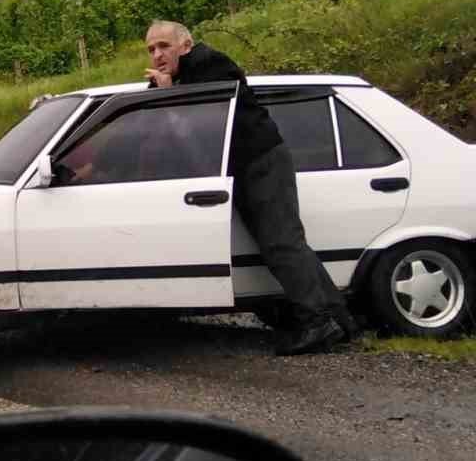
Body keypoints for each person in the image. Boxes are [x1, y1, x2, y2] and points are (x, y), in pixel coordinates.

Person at [144, 21, 358, 356]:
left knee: (282, 244)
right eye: (151, 49)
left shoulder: (210, 63)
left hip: (261, 162)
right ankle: (338, 320)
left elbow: (205, 115)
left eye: (163, 46)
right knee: (283, 245)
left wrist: (170, 90)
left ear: (185, 46)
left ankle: (320, 321)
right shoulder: (184, 75)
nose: (157, 55)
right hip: (246, 168)